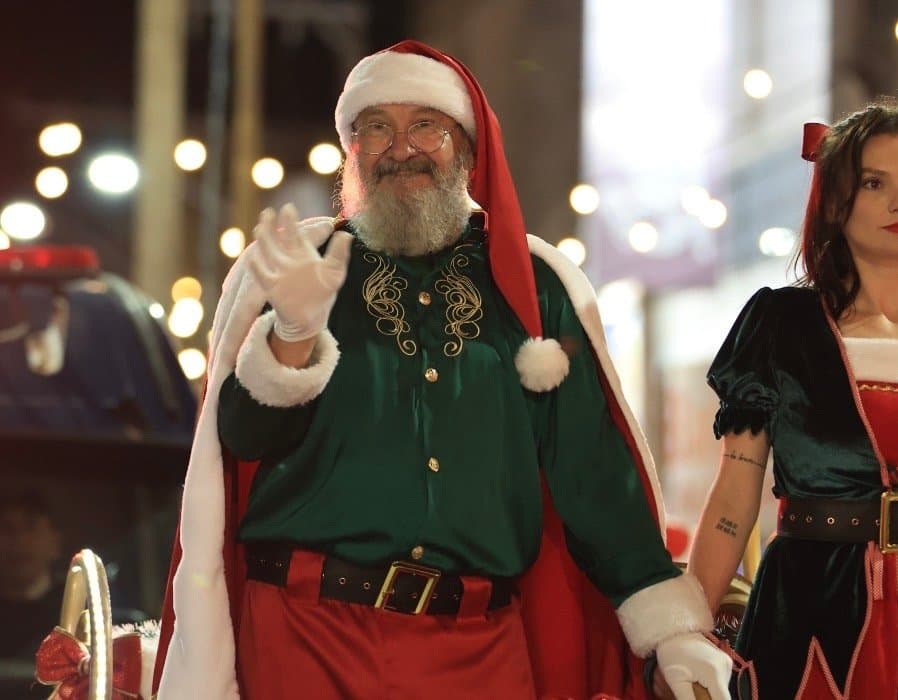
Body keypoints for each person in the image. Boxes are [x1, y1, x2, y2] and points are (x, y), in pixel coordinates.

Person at [152, 40, 731, 700]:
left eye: (425, 124)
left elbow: (593, 471)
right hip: (305, 638)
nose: (401, 147)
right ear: (354, 152)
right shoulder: (299, 266)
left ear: (468, 148)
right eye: (376, 128)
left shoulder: (534, 287)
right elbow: (242, 442)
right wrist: (292, 333)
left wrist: (671, 631)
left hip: (478, 649)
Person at [688, 101, 898, 699]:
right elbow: (736, 489)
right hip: (808, 610)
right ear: (834, 200)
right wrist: (686, 627)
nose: (895, 203)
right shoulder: (781, 324)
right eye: (874, 183)